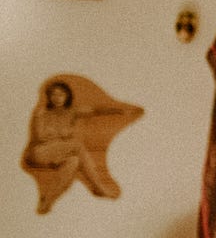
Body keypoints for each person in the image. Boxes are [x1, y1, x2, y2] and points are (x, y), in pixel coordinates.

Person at [24, 80, 142, 214]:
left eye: (61, 95)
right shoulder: (42, 112)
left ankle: (48, 200)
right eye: (53, 95)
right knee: (77, 146)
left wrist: (122, 109)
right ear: (49, 97)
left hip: (58, 154)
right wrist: (59, 137)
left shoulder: (71, 112)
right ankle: (99, 187)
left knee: (73, 161)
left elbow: (96, 110)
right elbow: (40, 137)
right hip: (38, 153)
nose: (57, 98)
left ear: (67, 96)